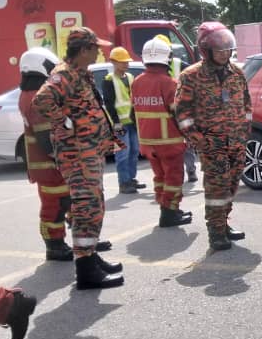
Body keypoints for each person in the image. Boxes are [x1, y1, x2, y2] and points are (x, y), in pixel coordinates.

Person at [32, 27, 125, 289]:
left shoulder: (80, 74)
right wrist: (64, 122)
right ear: (83, 50)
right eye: (95, 48)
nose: (99, 52)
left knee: (94, 206)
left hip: (89, 152)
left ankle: (91, 257)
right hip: (78, 155)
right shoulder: (64, 75)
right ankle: (85, 270)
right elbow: (42, 101)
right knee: (85, 209)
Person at [175, 22, 251, 251]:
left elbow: (246, 103)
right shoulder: (191, 76)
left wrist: (246, 128)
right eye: (219, 50)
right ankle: (216, 232)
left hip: (236, 141)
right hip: (212, 143)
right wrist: (197, 138)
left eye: (227, 49)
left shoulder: (237, 72)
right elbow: (182, 112)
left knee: (231, 185)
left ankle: (224, 223)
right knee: (216, 188)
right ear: (205, 50)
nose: (224, 53)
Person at [17, 47, 75, 262]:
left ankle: (75, 240)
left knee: (66, 201)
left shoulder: (32, 93)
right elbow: (46, 136)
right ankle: (55, 246)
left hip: (50, 164)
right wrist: (63, 159)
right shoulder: (34, 96)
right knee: (55, 206)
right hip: (49, 165)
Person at [133, 38, 193, 227]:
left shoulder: (137, 82)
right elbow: (179, 114)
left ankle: (165, 207)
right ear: (167, 58)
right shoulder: (169, 83)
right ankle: (170, 212)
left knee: (159, 177)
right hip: (169, 142)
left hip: (147, 142)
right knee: (173, 177)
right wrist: (191, 135)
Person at [101, 47, 145, 194]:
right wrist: (116, 123)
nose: (126, 64)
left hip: (132, 122)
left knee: (134, 151)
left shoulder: (131, 77)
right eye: (122, 62)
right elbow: (109, 104)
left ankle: (131, 179)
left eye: (126, 61)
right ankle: (124, 183)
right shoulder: (109, 80)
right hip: (119, 123)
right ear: (113, 62)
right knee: (122, 154)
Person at [156, 34, 199, 183]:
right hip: (166, 112)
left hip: (181, 109)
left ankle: (191, 171)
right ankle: (175, 173)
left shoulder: (179, 64)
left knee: (186, 141)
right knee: (173, 146)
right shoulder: (156, 67)